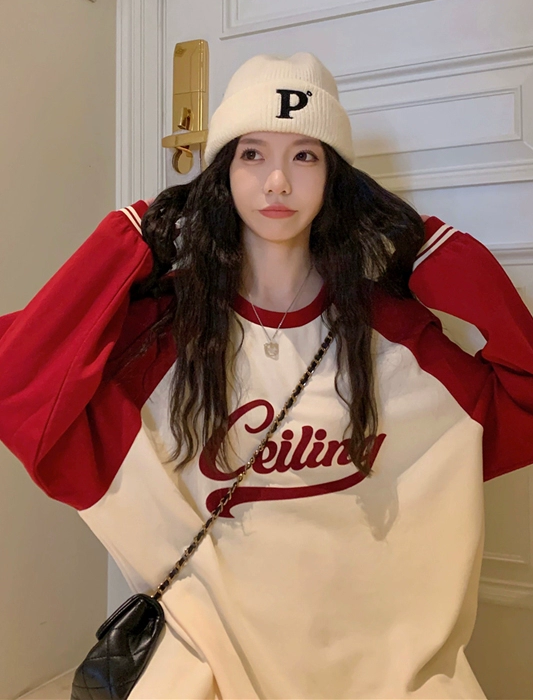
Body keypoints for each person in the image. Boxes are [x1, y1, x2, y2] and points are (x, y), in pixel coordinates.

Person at [1, 52, 533, 700]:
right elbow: (18, 382)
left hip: (388, 679)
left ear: (335, 181)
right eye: (251, 154)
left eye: (304, 156)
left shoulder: (393, 333)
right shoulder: (166, 332)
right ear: (221, 176)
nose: (277, 181)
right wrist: (138, 236)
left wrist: (424, 248)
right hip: (205, 675)